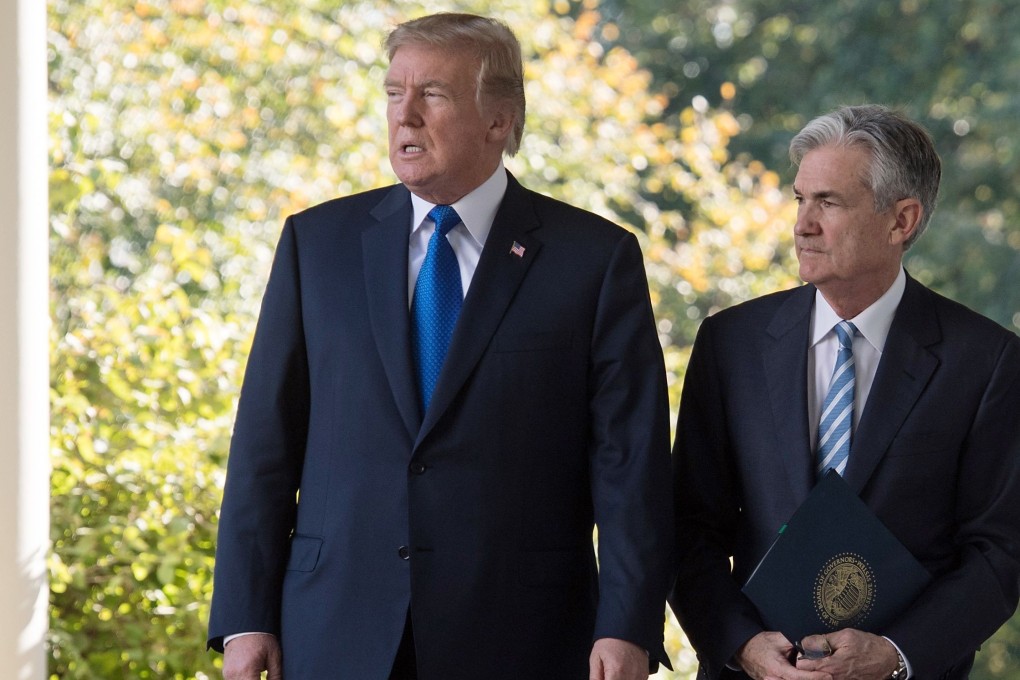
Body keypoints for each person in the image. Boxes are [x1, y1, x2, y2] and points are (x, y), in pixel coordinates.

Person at [207, 12, 673, 680]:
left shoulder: (593, 261)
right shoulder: (317, 245)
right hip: (336, 629)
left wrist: (627, 624)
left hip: (524, 635)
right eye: (395, 93)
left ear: (498, 120)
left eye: (433, 95)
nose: (405, 117)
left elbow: (630, 465)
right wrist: (245, 616)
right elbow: (264, 444)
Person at [668, 104, 1020, 680]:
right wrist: (742, 645)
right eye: (800, 200)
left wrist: (896, 654)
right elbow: (688, 526)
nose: (803, 223)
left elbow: (999, 551)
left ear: (901, 221)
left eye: (828, 202)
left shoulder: (985, 361)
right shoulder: (730, 342)